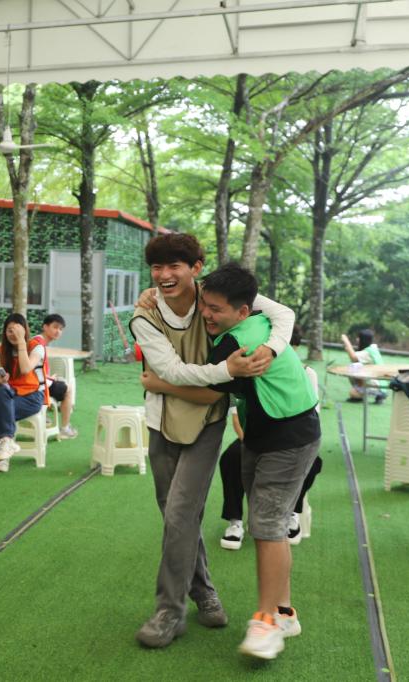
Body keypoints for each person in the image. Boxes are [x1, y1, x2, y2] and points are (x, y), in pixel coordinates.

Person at [129, 233, 294, 650]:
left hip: (207, 420)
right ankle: (204, 592)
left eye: (174, 266)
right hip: (160, 421)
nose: (164, 275)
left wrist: (272, 350)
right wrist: (227, 371)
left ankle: (169, 612)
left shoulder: (217, 296)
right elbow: (173, 371)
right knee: (176, 517)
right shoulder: (145, 315)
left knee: (180, 513)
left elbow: (283, 314)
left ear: (196, 268)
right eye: (157, 267)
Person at [161, 263, 320, 661]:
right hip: (263, 433)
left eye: (215, 309)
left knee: (267, 527)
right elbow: (282, 314)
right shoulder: (256, 317)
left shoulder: (235, 343)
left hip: (289, 437)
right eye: (205, 305)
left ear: (243, 311)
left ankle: (266, 622)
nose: (206, 314)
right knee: (270, 525)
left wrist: (157, 382)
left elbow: (206, 389)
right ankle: (284, 613)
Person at [149, 326, 322, 551]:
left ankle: (292, 512)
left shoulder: (306, 373)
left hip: (290, 439)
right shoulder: (244, 361)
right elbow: (234, 415)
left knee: (305, 473)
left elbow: (311, 414)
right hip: (251, 435)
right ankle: (235, 520)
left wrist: (161, 385)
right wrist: (246, 441)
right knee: (231, 459)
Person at [0, 313, 47, 473]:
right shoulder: (3, 350)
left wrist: (21, 342)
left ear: (25, 330)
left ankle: (2, 455)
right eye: (10, 330)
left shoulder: (36, 346)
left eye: (17, 330)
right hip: (12, 393)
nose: (13, 334)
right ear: (4, 332)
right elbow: (6, 381)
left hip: (33, 396)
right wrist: (0, 381)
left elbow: (26, 368)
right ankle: (4, 448)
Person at [32, 314, 78, 439]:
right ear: (45, 327)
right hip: (35, 386)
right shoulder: (38, 344)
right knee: (68, 389)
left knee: (61, 382)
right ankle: (65, 429)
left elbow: (35, 368)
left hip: (37, 383)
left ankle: (45, 416)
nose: (58, 331)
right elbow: (31, 369)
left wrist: (49, 377)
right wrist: (49, 379)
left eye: (61, 329)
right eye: (55, 327)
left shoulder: (38, 341)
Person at [341, 328, 386, 403]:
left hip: (377, 384)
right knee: (354, 367)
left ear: (363, 339)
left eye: (359, 338)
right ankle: (362, 390)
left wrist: (346, 341)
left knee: (353, 368)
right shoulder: (372, 348)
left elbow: (353, 357)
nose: (357, 339)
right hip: (379, 382)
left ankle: (369, 393)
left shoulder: (368, 352)